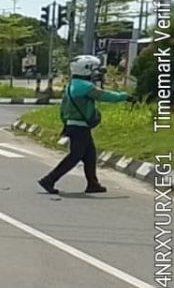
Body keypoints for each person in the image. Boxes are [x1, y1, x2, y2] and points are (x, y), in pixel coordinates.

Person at [38, 55, 130, 195]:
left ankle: (93, 183)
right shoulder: (86, 87)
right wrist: (124, 96)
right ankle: (49, 179)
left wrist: (65, 122)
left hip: (73, 125)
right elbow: (105, 96)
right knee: (75, 156)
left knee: (90, 154)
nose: (96, 73)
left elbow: (63, 108)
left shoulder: (71, 85)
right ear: (86, 70)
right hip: (80, 127)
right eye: (94, 70)